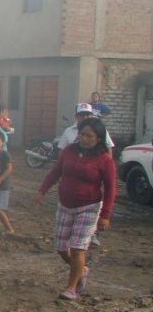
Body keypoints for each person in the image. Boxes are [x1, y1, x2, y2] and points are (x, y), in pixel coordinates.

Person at [35, 117, 115, 301]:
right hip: (65, 205)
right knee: (62, 248)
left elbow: (110, 188)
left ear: (98, 139)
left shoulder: (104, 160)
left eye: (90, 136)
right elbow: (56, 171)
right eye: (82, 134)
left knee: (78, 248)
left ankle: (71, 288)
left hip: (88, 207)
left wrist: (106, 215)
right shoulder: (70, 151)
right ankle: (81, 270)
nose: (85, 139)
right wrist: (42, 190)